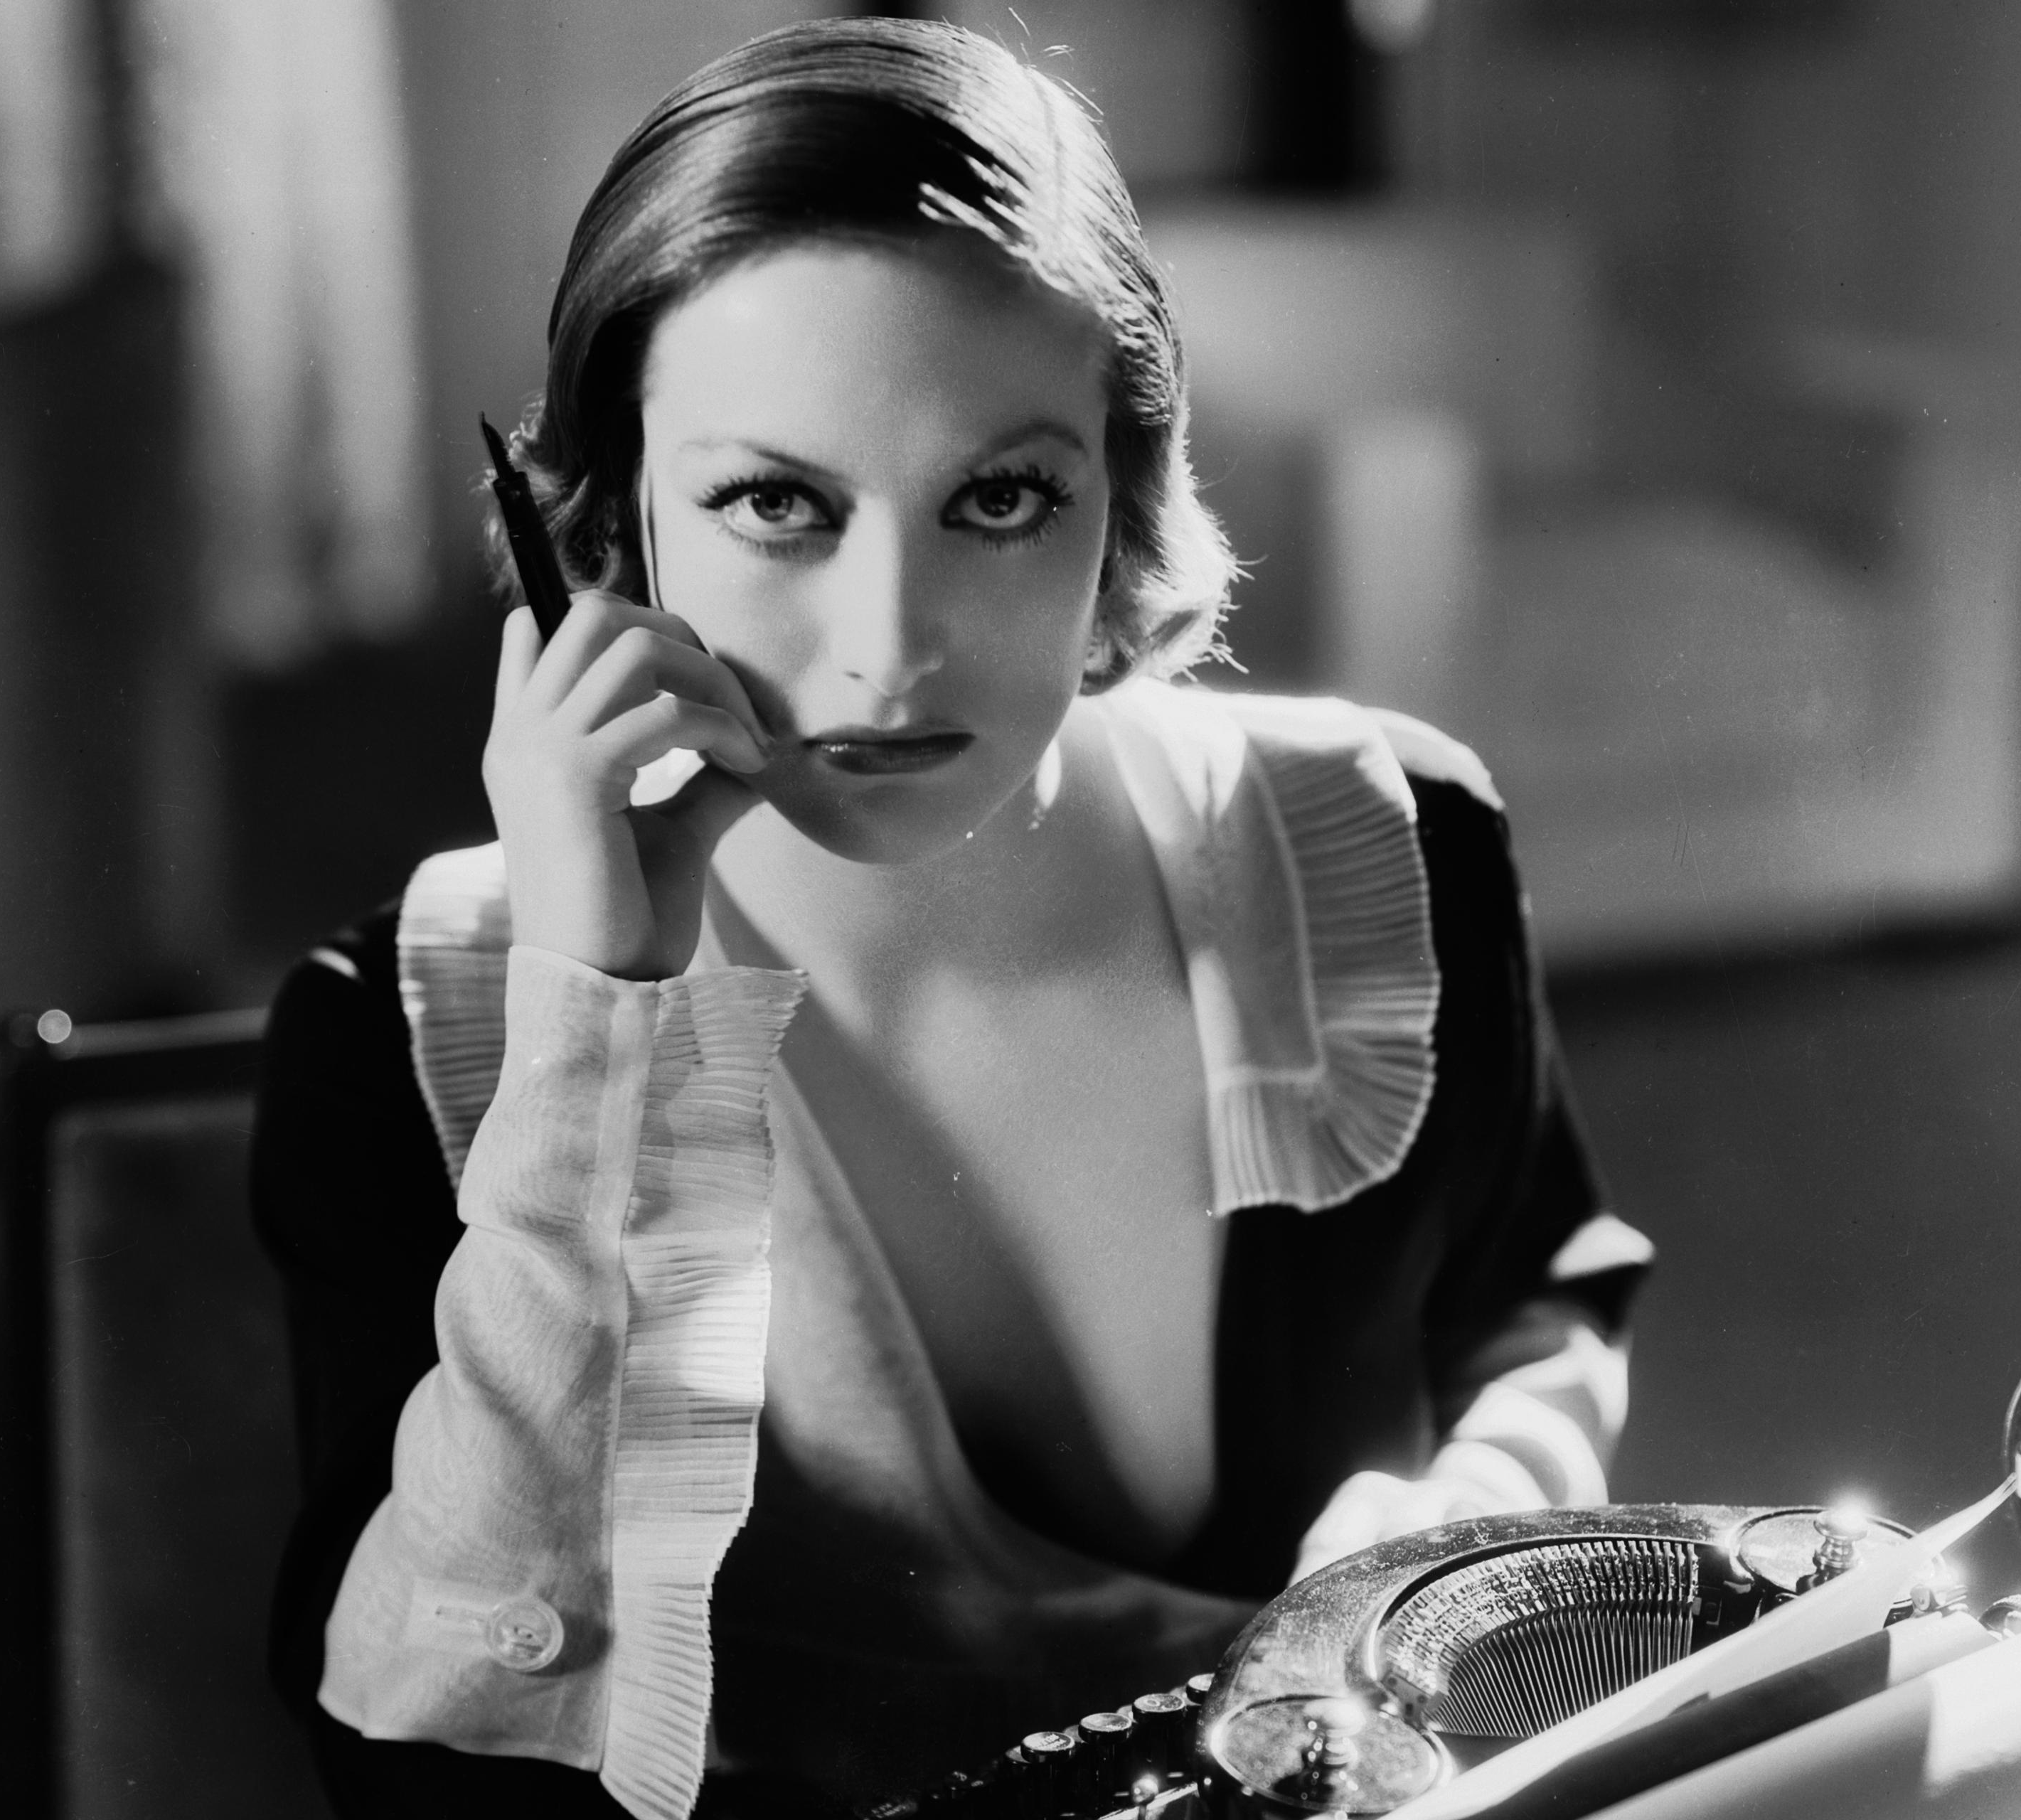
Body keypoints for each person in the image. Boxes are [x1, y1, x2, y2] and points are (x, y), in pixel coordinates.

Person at [253, 18, 1650, 1820]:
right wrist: (594, 1017)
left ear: (1120, 504)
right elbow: (419, 1751)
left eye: (999, 499)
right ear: (604, 533)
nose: (891, 647)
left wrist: (1448, 1565)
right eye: (777, 503)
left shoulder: (1385, 846)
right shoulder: (398, 1032)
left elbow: (1535, 1306)